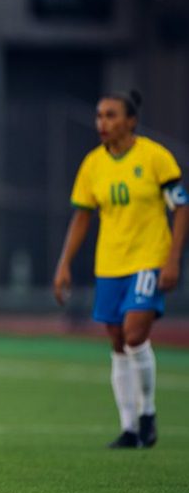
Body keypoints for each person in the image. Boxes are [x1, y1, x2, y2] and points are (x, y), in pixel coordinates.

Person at [53, 90, 188, 449]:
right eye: (99, 116)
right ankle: (129, 427)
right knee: (116, 340)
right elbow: (81, 216)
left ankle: (149, 413)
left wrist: (173, 259)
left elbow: (182, 207)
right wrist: (64, 264)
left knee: (133, 334)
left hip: (148, 259)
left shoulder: (156, 158)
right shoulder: (92, 165)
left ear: (131, 121)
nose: (103, 123)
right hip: (110, 263)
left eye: (111, 115)